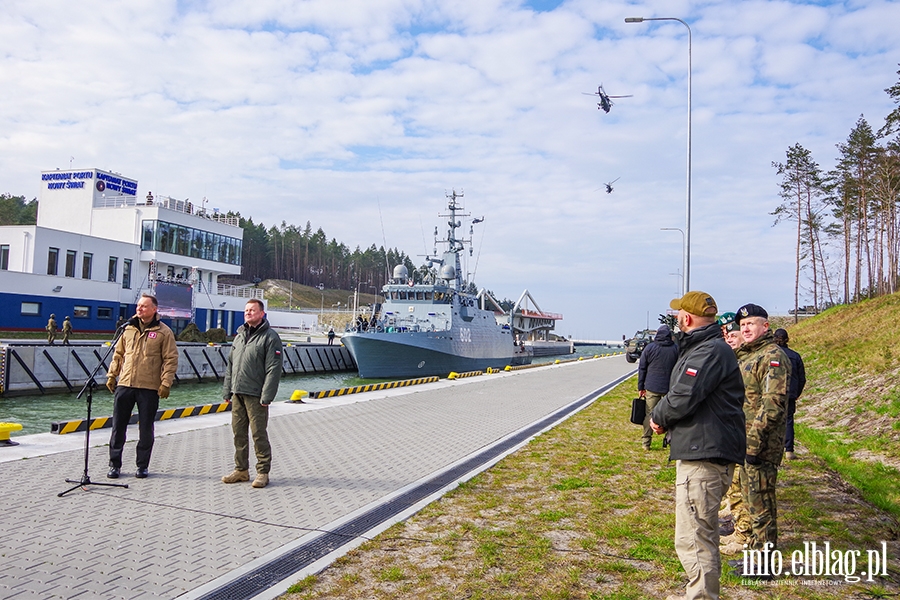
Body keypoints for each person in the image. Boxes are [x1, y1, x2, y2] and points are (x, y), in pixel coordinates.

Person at [649, 291, 746, 600]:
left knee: (695, 537)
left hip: (703, 456)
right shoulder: (707, 347)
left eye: (679, 315)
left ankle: (701, 597)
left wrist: (657, 417)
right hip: (701, 451)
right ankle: (698, 593)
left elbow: (682, 396)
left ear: (686, 319)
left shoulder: (709, 351)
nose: (677, 319)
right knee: (693, 534)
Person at [721, 304, 789, 561]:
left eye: (752, 324)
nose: (746, 328)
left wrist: (753, 443)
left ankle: (764, 563)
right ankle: (754, 551)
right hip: (744, 441)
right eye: (744, 325)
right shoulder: (749, 355)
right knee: (750, 501)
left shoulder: (772, 356)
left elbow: (773, 405)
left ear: (765, 327)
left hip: (760, 445)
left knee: (761, 505)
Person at [106, 294, 178, 479]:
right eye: (138, 306)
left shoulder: (164, 332)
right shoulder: (128, 329)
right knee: (118, 427)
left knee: (146, 428)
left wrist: (165, 383)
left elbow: (171, 359)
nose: (139, 309)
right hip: (125, 383)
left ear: (154, 309)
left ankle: (142, 466)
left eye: (144, 306)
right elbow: (118, 354)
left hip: (149, 387)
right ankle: (114, 465)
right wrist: (112, 375)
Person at [222, 299, 283, 489]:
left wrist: (267, 395)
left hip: (256, 394)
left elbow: (274, 368)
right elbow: (231, 365)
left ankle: (262, 472)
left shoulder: (270, 337)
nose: (248, 313)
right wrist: (227, 390)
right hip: (238, 392)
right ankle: (241, 470)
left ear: (262, 313)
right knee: (238, 433)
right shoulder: (239, 336)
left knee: (258, 434)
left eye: (252, 310)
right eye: (246, 310)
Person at [637, 325, 678, 450]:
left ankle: (646, 442)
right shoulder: (676, 349)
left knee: (649, 414)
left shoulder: (650, 348)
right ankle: (670, 440)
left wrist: (641, 387)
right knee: (671, 414)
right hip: (670, 388)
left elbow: (642, 368)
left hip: (652, 386)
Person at [773, 328, 805, 460]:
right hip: (790, 392)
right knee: (788, 420)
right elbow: (802, 378)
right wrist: (796, 392)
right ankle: (789, 450)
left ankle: (774, 449)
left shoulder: (771, 355)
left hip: (773, 392)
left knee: (772, 419)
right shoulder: (795, 356)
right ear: (787, 339)